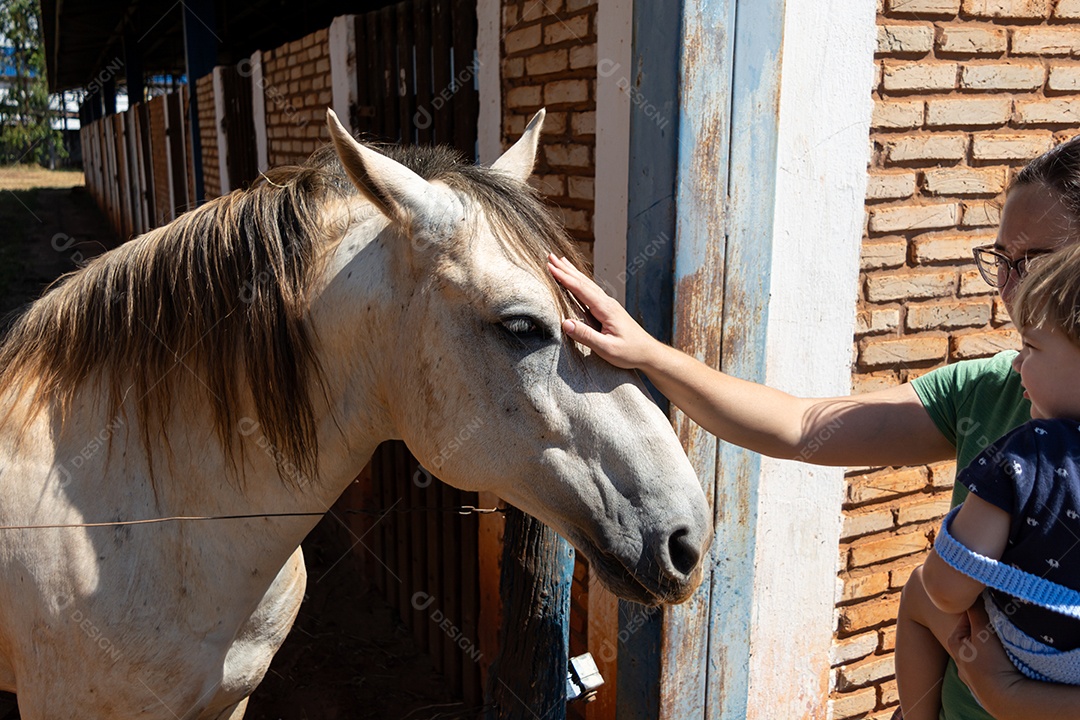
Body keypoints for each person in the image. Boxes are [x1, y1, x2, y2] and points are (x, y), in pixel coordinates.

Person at [546, 134, 1080, 719]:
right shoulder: (991, 389)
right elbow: (801, 426)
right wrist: (648, 353)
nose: (1008, 288)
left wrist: (1004, 692)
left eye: (1032, 264)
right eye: (1001, 260)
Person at [894, 243, 1080, 720]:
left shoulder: (1029, 450)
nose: (1017, 364)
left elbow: (948, 590)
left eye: (1032, 347)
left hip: (1036, 658)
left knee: (919, 590)